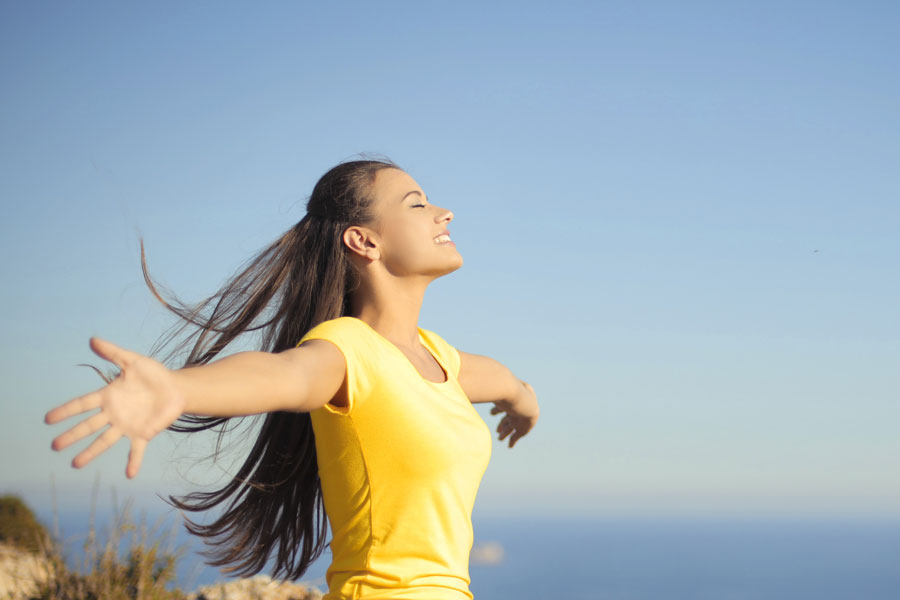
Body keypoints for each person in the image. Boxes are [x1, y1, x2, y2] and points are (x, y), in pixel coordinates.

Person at [44, 159, 540, 600]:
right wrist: (178, 389)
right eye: (418, 204)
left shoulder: (438, 357)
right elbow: (282, 374)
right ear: (363, 240)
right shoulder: (347, 349)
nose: (443, 213)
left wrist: (522, 399)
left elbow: (496, 377)